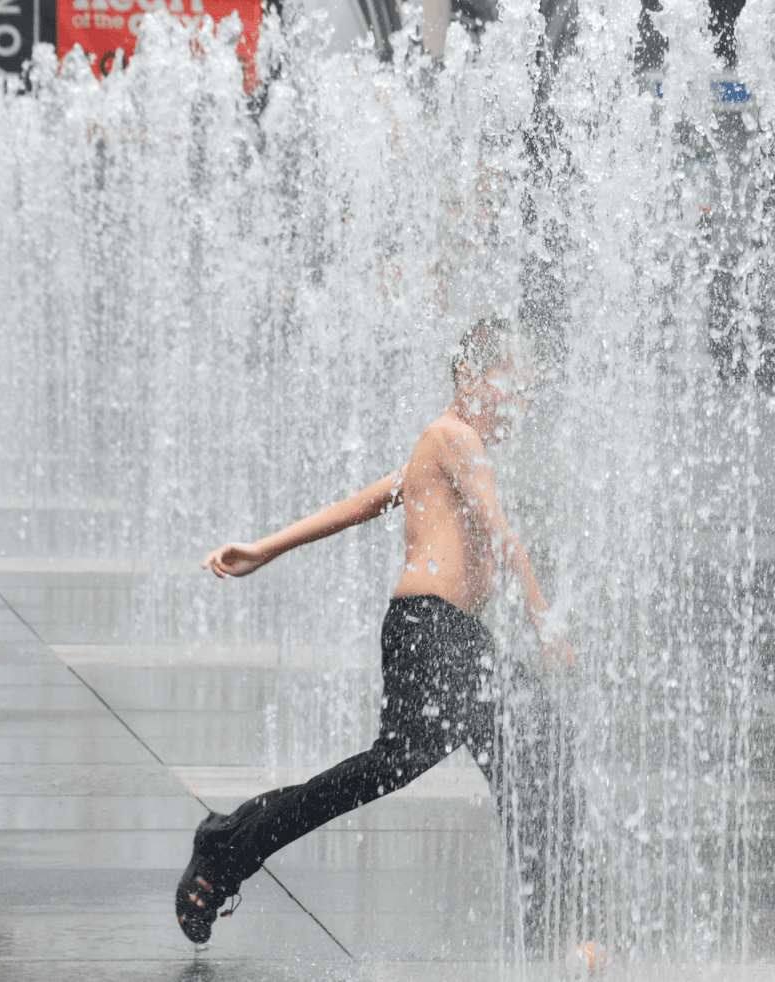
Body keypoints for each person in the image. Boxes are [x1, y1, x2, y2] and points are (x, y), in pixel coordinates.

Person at [175, 317, 575, 948]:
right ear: (469, 378)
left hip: (445, 633)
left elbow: (361, 503)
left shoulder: (437, 448)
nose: (520, 405)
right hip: (434, 631)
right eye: (511, 386)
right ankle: (228, 844)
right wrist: (544, 622)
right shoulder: (453, 436)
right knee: (520, 757)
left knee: (495, 759)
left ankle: (558, 927)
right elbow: (503, 532)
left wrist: (265, 548)